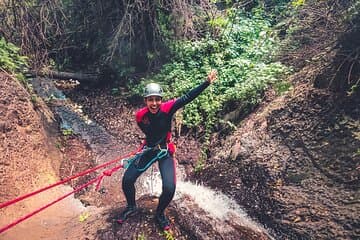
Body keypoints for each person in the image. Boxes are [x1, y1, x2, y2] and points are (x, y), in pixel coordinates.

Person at [118, 69, 218, 230]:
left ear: (161, 100)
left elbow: (187, 98)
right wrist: (149, 145)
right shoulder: (140, 116)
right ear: (145, 101)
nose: (154, 103)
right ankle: (131, 207)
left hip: (164, 152)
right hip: (149, 150)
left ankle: (159, 214)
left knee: (170, 187)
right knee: (127, 180)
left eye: (157, 99)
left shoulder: (168, 108)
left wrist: (206, 83)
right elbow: (149, 133)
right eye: (150, 100)